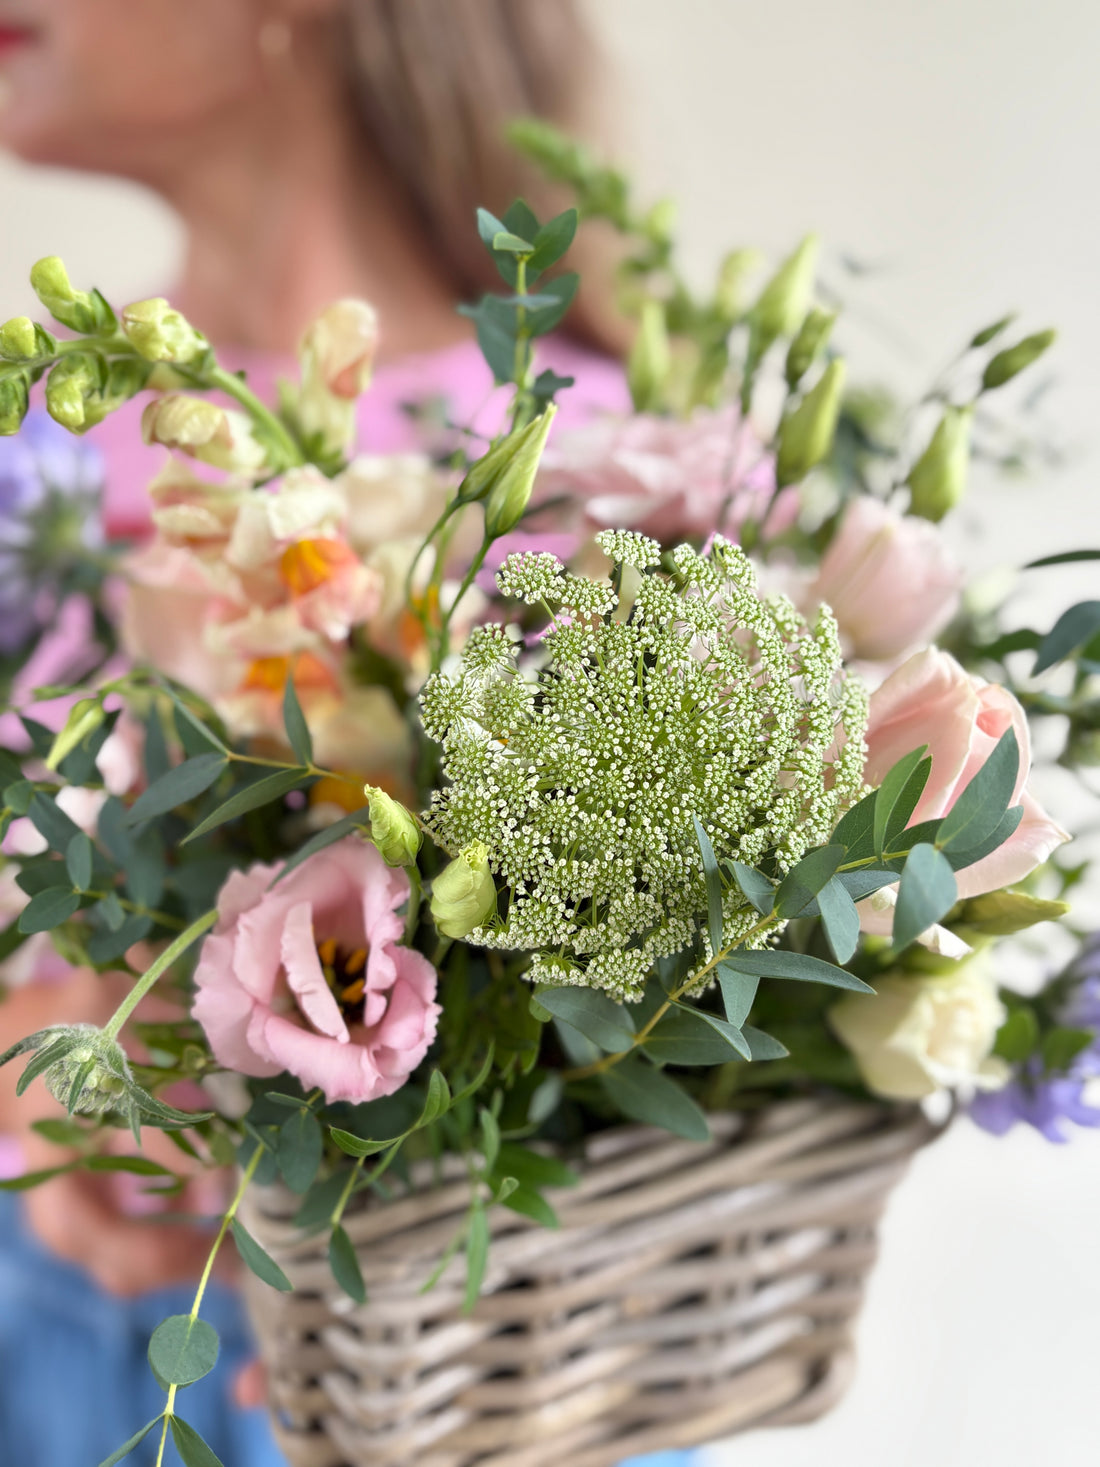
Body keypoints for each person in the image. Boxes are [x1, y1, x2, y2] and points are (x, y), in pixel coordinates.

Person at [0, 3, 692, 1465]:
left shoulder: (635, 478)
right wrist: (33, 1068)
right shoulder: (30, 460)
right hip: (58, 1363)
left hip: (497, 1380)